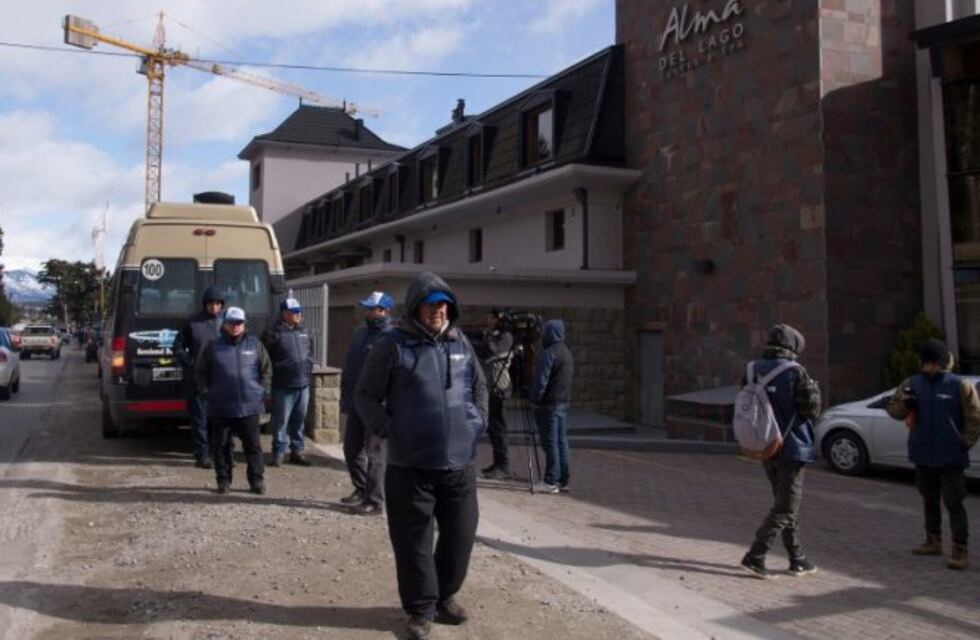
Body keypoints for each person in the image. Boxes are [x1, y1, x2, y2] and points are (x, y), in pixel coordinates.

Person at [355, 272, 488, 640]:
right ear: (416, 307)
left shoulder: (461, 342)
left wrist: (476, 422)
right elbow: (365, 395)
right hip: (410, 467)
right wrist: (389, 429)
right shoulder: (393, 345)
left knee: (460, 536)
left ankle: (445, 596)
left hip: (459, 466)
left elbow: (479, 387)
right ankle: (421, 609)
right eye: (430, 304)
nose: (438, 310)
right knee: (413, 543)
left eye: (443, 304)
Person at [886, 338, 980, 570]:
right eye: (928, 363)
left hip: (951, 456)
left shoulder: (959, 385)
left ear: (942, 362)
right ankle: (933, 540)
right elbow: (894, 410)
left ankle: (960, 549)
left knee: (954, 503)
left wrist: (963, 444)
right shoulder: (911, 384)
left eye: (934, 363)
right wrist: (906, 404)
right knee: (929, 499)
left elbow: (974, 418)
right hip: (923, 454)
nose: (931, 367)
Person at [739, 324, 821, 579]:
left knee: (784, 504)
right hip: (792, 446)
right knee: (786, 507)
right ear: (792, 347)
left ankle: (798, 558)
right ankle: (756, 556)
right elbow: (810, 410)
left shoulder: (752, 369)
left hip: (765, 444)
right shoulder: (795, 372)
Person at [194, 306, 272, 495]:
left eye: (239, 323)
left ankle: (256, 481)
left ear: (244, 324)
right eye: (232, 323)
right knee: (221, 447)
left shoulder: (255, 344)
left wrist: (263, 391)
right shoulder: (213, 346)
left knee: (253, 447)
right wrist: (206, 393)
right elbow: (201, 373)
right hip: (222, 407)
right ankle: (223, 481)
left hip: (249, 407)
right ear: (225, 324)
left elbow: (266, 369)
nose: (235, 326)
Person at [340, 291, 394, 515]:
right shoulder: (360, 334)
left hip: (376, 405)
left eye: (375, 309)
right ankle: (362, 489)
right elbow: (350, 367)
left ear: (386, 311)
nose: (370, 312)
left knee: (375, 454)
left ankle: (375, 500)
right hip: (355, 401)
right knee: (351, 449)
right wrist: (345, 397)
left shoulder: (391, 337)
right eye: (369, 308)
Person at [174, 286, 225, 468]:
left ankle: (223, 454)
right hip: (199, 379)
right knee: (200, 420)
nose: (214, 306)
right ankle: (201, 455)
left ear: (222, 305)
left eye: (218, 303)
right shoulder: (192, 322)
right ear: (205, 304)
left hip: (221, 379)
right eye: (211, 303)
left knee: (222, 420)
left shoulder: (227, 322)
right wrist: (189, 362)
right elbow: (177, 346)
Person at [261, 297, 315, 467]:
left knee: (299, 421)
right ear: (285, 314)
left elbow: (310, 352)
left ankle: (297, 452)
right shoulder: (272, 333)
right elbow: (264, 359)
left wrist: (308, 368)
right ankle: (278, 453)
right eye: (294, 312)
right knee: (281, 422)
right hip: (283, 386)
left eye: (299, 311)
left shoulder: (305, 331)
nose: (299, 315)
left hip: (303, 384)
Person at [531, 319, 574, 493]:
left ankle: (551, 480)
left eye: (544, 332)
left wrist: (535, 398)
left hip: (549, 404)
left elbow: (541, 380)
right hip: (562, 403)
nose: (542, 335)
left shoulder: (549, 352)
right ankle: (563, 479)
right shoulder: (566, 352)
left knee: (550, 443)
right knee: (561, 442)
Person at [478, 309, 515, 480]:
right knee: (492, 428)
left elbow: (492, 351)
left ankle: (504, 466)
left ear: (499, 320)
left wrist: (488, 336)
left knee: (498, 428)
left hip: (500, 386)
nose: (489, 320)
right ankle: (497, 463)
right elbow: (481, 351)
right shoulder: (495, 335)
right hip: (491, 385)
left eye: (492, 318)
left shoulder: (506, 337)